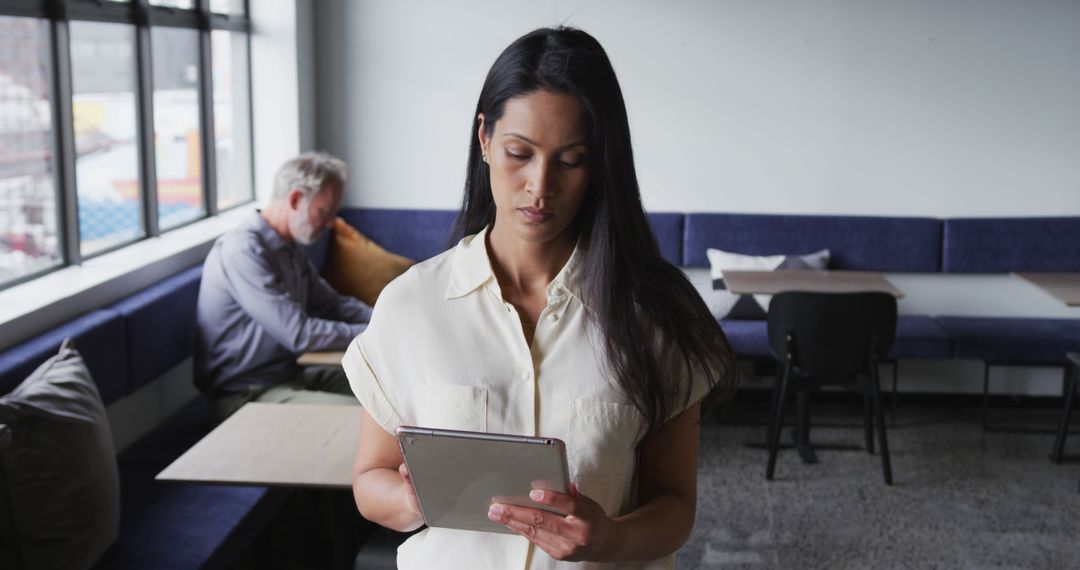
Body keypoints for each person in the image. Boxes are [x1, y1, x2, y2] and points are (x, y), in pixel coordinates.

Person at [344, 28, 738, 568]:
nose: (540, 185)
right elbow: (370, 480)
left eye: (570, 160)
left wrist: (609, 541)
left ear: (600, 163)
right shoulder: (412, 305)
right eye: (518, 153)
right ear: (484, 139)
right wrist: (413, 498)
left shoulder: (656, 312)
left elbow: (675, 507)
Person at [195, 151, 371, 424]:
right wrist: (373, 332)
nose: (329, 224)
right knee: (367, 418)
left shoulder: (289, 248)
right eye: (324, 212)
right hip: (244, 395)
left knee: (387, 388)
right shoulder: (242, 251)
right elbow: (298, 334)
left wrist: (383, 317)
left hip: (288, 376)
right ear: (295, 199)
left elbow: (332, 304)